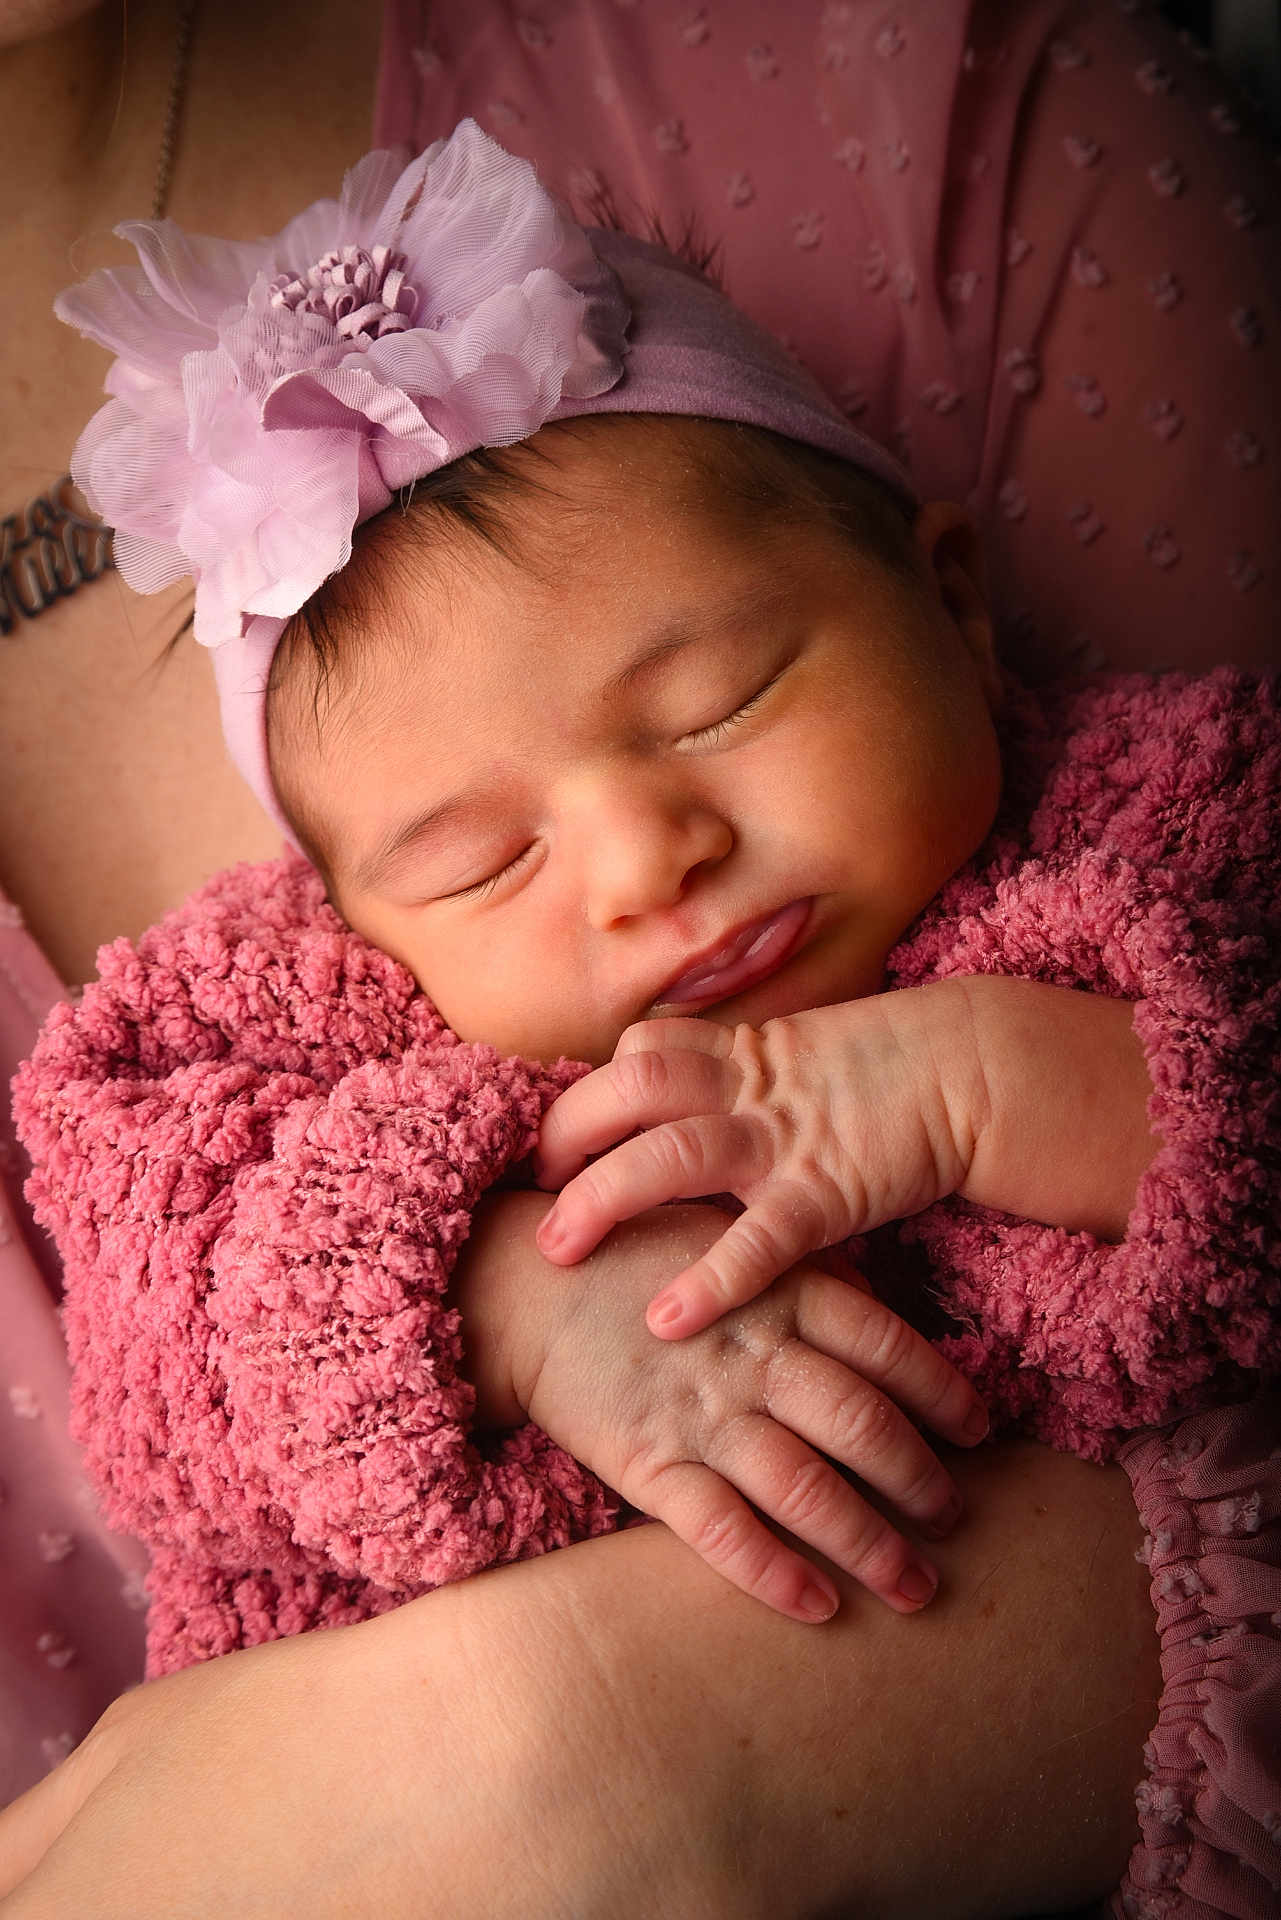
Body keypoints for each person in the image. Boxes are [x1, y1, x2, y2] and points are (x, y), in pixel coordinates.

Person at [1, 2, 1278, 1915]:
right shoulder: (317, 1027)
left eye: (723, 701)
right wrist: (501, 1297)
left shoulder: (1157, 808)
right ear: (343, 916)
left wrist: (985, 1080)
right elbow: (159, 1300)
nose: (642, 857)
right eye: (483, 857)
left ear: (945, 594)